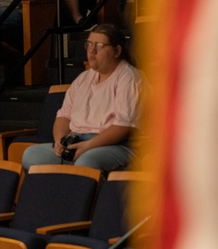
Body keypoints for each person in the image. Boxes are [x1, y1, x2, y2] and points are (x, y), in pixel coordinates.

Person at [21, 24, 141, 171]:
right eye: (89, 44)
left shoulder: (129, 77)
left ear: (117, 51)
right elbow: (64, 116)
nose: (92, 50)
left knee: (86, 162)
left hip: (114, 144)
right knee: (32, 155)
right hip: (76, 140)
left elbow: (123, 126)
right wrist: (60, 140)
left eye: (99, 45)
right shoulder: (83, 78)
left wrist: (87, 146)